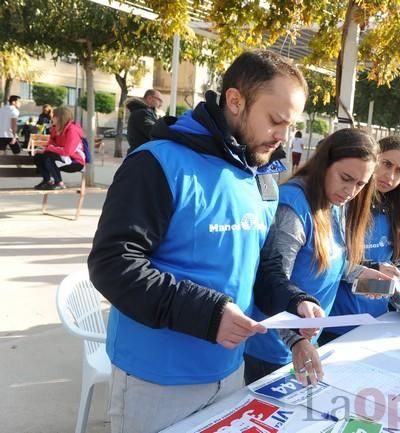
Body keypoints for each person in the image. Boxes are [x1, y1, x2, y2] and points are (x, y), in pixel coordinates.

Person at [87, 51, 323, 433]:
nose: (284, 136)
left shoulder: (262, 177)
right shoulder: (157, 163)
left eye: (291, 125)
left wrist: (293, 301)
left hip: (230, 371)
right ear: (235, 100)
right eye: (276, 120)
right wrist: (209, 314)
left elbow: (259, 267)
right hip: (156, 379)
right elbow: (113, 265)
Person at [244, 127, 390, 386]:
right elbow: (272, 284)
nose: (351, 191)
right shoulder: (293, 208)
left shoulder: (336, 203)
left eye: (360, 184)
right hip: (273, 349)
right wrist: (296, 341)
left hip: (303, 345)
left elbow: (328, 259)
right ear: (325, 164)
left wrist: (361, 274)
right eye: (345, 178)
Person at [320, 134, 400, 343]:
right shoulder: (343, 203)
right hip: (335, 324)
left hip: (377, 323)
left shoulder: (399, 211)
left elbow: (391, 264)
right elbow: (327, 261)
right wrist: (370, 268)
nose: (390, 176)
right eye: (386, 164)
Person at [33, 107, 85, 190]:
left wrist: (49, 148)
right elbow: (50, 145)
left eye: (54, 116)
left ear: (60, 117)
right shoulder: (55, 129)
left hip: (75, 161)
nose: (51, 117)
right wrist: (44, 148)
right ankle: (48, 180)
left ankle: (59, 183)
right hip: (62, 158)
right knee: (38, 156)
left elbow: (68, 152)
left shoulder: (72, 130)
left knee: (49, 157)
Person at [126, 88, 163, 154]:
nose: (161, 104)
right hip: (141, 154)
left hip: (141, 153)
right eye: (159, 100)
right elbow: (155, 132)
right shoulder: (142, 113)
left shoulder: (145, 112)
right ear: (149, 98)